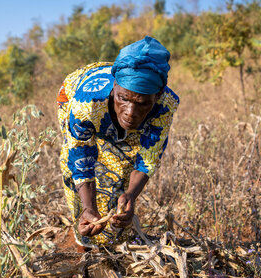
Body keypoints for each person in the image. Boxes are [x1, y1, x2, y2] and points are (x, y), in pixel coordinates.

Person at [57, 36, 179, 248]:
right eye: (123, 99)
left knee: (120, 171)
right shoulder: (86, 103)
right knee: (76, 175)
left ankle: (112, 244)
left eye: (142, 104)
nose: (131, 113)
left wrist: (131, 194)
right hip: (72, 95)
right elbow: (79, 156)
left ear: (157, 96)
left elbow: (148, 158)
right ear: (115, 87)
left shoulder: (165, 105)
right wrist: (88, 206)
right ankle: (82, 243)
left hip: (116, 102)